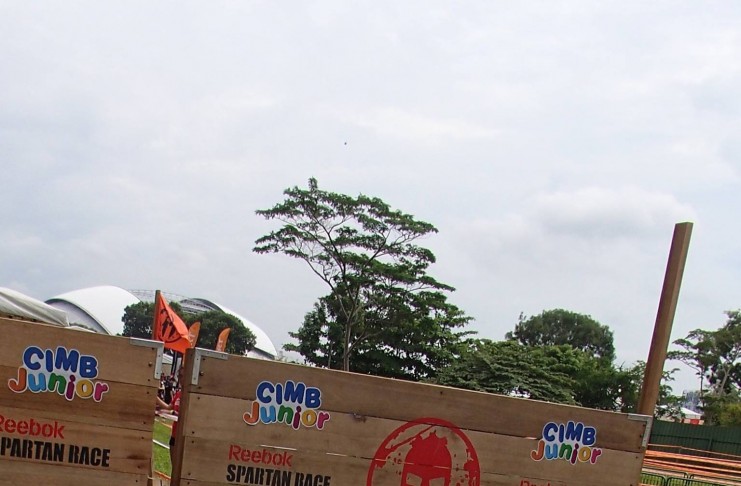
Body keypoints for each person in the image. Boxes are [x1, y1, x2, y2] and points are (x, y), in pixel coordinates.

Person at [156, 366, 183, 467]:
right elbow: (168, 407)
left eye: (183, 376)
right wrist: (156, 398)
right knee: (174, 466)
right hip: (174, 435)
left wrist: (172, 413)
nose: (180, 379)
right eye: (179, 376)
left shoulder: (190, 396)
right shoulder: (178, 394)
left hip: (183, 437)